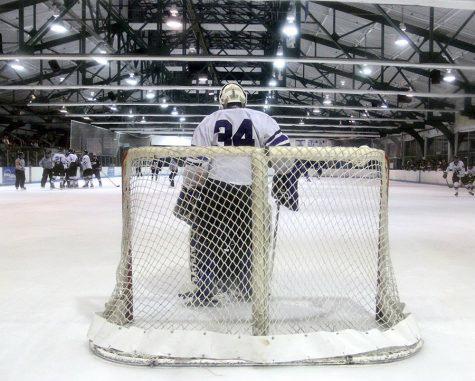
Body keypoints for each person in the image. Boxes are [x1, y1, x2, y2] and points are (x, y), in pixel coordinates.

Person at [173, 83, 294, 307]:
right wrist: (285, 178)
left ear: (222, 100)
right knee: (249, 240)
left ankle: (206, 290)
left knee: (207, 241)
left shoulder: (209, 121)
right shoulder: (261, 118)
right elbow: (283, 154)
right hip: (250, 192)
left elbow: (196, 165)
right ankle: (250, 289)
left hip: (215, 191)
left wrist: (189, 191)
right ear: (244, 99)